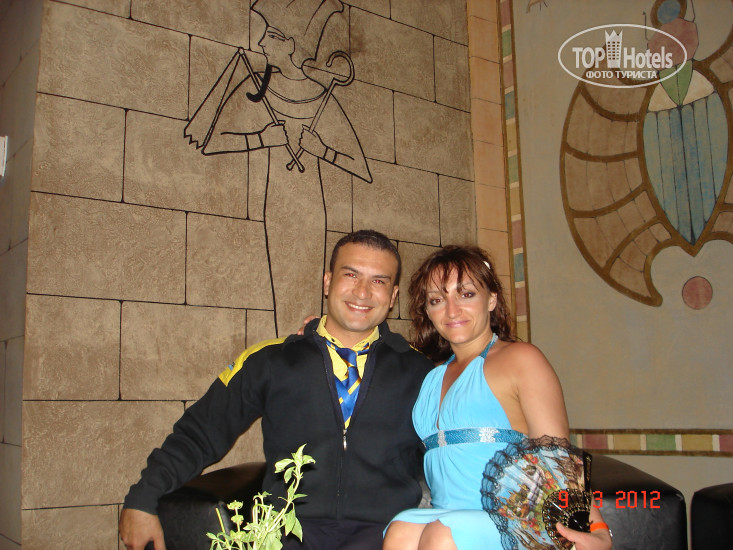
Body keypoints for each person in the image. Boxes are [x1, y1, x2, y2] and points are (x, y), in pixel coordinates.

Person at [119, 230, 434, 550]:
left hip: (386, 536)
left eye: (378, 281)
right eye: (350, 275)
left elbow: (447, 453)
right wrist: (143, 499)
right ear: (327, 282)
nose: (362, 291)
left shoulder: (422, 374)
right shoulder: (270, 361)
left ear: (393, 296)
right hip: (286, 534)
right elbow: (201, 432)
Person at [383, 245, 612, 550]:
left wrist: (597, 529)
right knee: (401, 529)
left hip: (515, 518)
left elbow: (556, 455)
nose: (451, 310)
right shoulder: (431, 376)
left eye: (466, 294)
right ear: (427, 311)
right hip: (448, 514)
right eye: (437, 300)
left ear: (491, 299)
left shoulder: (521, 359)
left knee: (443, 534)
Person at [184, 0, 371, 336]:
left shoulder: (320, 95)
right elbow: (213, 140)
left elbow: (360, 166)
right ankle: (288, 353)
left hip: (311, 210)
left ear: (291, 44)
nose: (260, 43)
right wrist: (261, 138)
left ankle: (306, 350)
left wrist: (322, 150)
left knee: (307, 293)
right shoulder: (258, 86)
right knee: (279, 291)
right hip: (276, 207)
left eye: (271, 36)